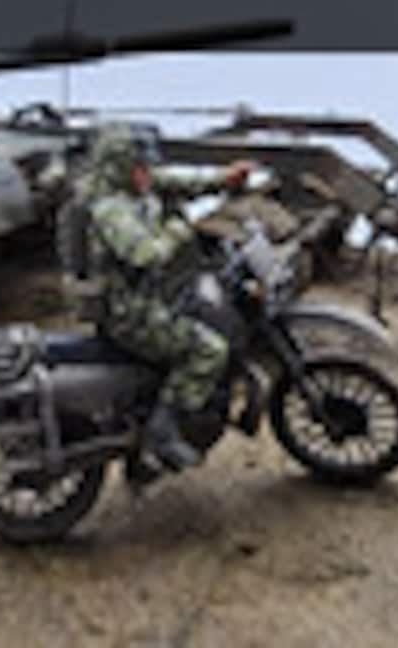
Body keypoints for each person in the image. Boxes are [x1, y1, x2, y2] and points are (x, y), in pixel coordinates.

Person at [82, 122, 255, 470]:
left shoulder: (130, 186)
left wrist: (223, 180)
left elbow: (175, 183)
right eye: (140, 167)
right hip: (131, 314)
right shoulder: (112, 209)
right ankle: (163, 431)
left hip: (149, 297)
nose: (147, 173)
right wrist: (176, 230)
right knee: (209, 350)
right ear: (120, 168)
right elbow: (145, 254)